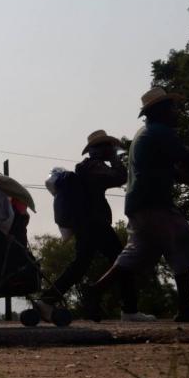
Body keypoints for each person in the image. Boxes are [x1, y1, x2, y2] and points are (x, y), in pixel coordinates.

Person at [85, 87, 189, 323]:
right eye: (172, 107)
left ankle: (95, 291)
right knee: (183, 241)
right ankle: (185, 309)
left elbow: (175, 171)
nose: (176, 112)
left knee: (136, 254)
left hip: (141, 203)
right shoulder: (160, 132)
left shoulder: (147, 134)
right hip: (154, 202)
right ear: (160, 111)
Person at [40, 130, 155, 322]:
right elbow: (120, 177)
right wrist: (115, 160)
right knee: (122, 261)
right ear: (96, 149)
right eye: (107, 146)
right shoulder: (93, 167)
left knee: (81, 264)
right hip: (95, 223)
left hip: (87, 223)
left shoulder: (88, 167)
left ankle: (47, 300)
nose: (111, 149)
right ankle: (129, 309)